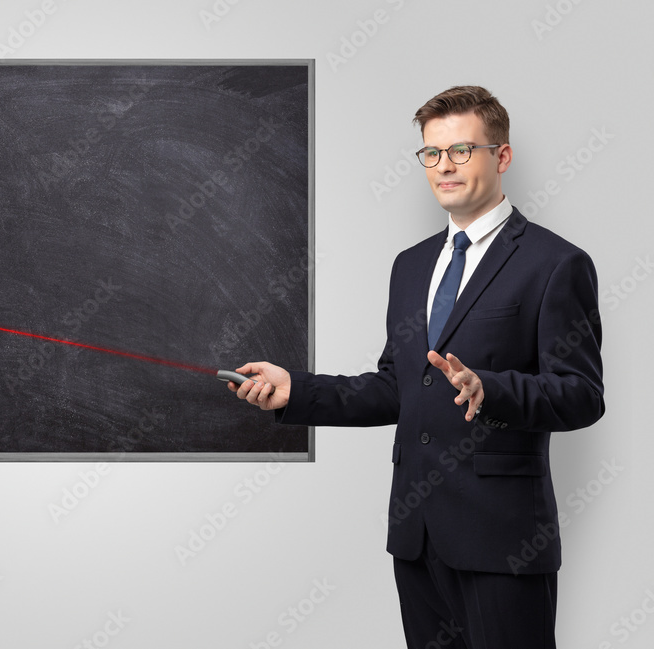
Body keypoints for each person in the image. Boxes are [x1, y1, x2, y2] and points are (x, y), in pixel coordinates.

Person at [228, 85, 604, 649]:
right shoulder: (411, 265)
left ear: (501, 156)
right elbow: (395, 387)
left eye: (461, 150)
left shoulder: (555, 263)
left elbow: (581, 395)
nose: (444, 166)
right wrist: (295, 391)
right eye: (432, 152)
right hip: (417, 535)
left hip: (502, 539)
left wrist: (490, 389)